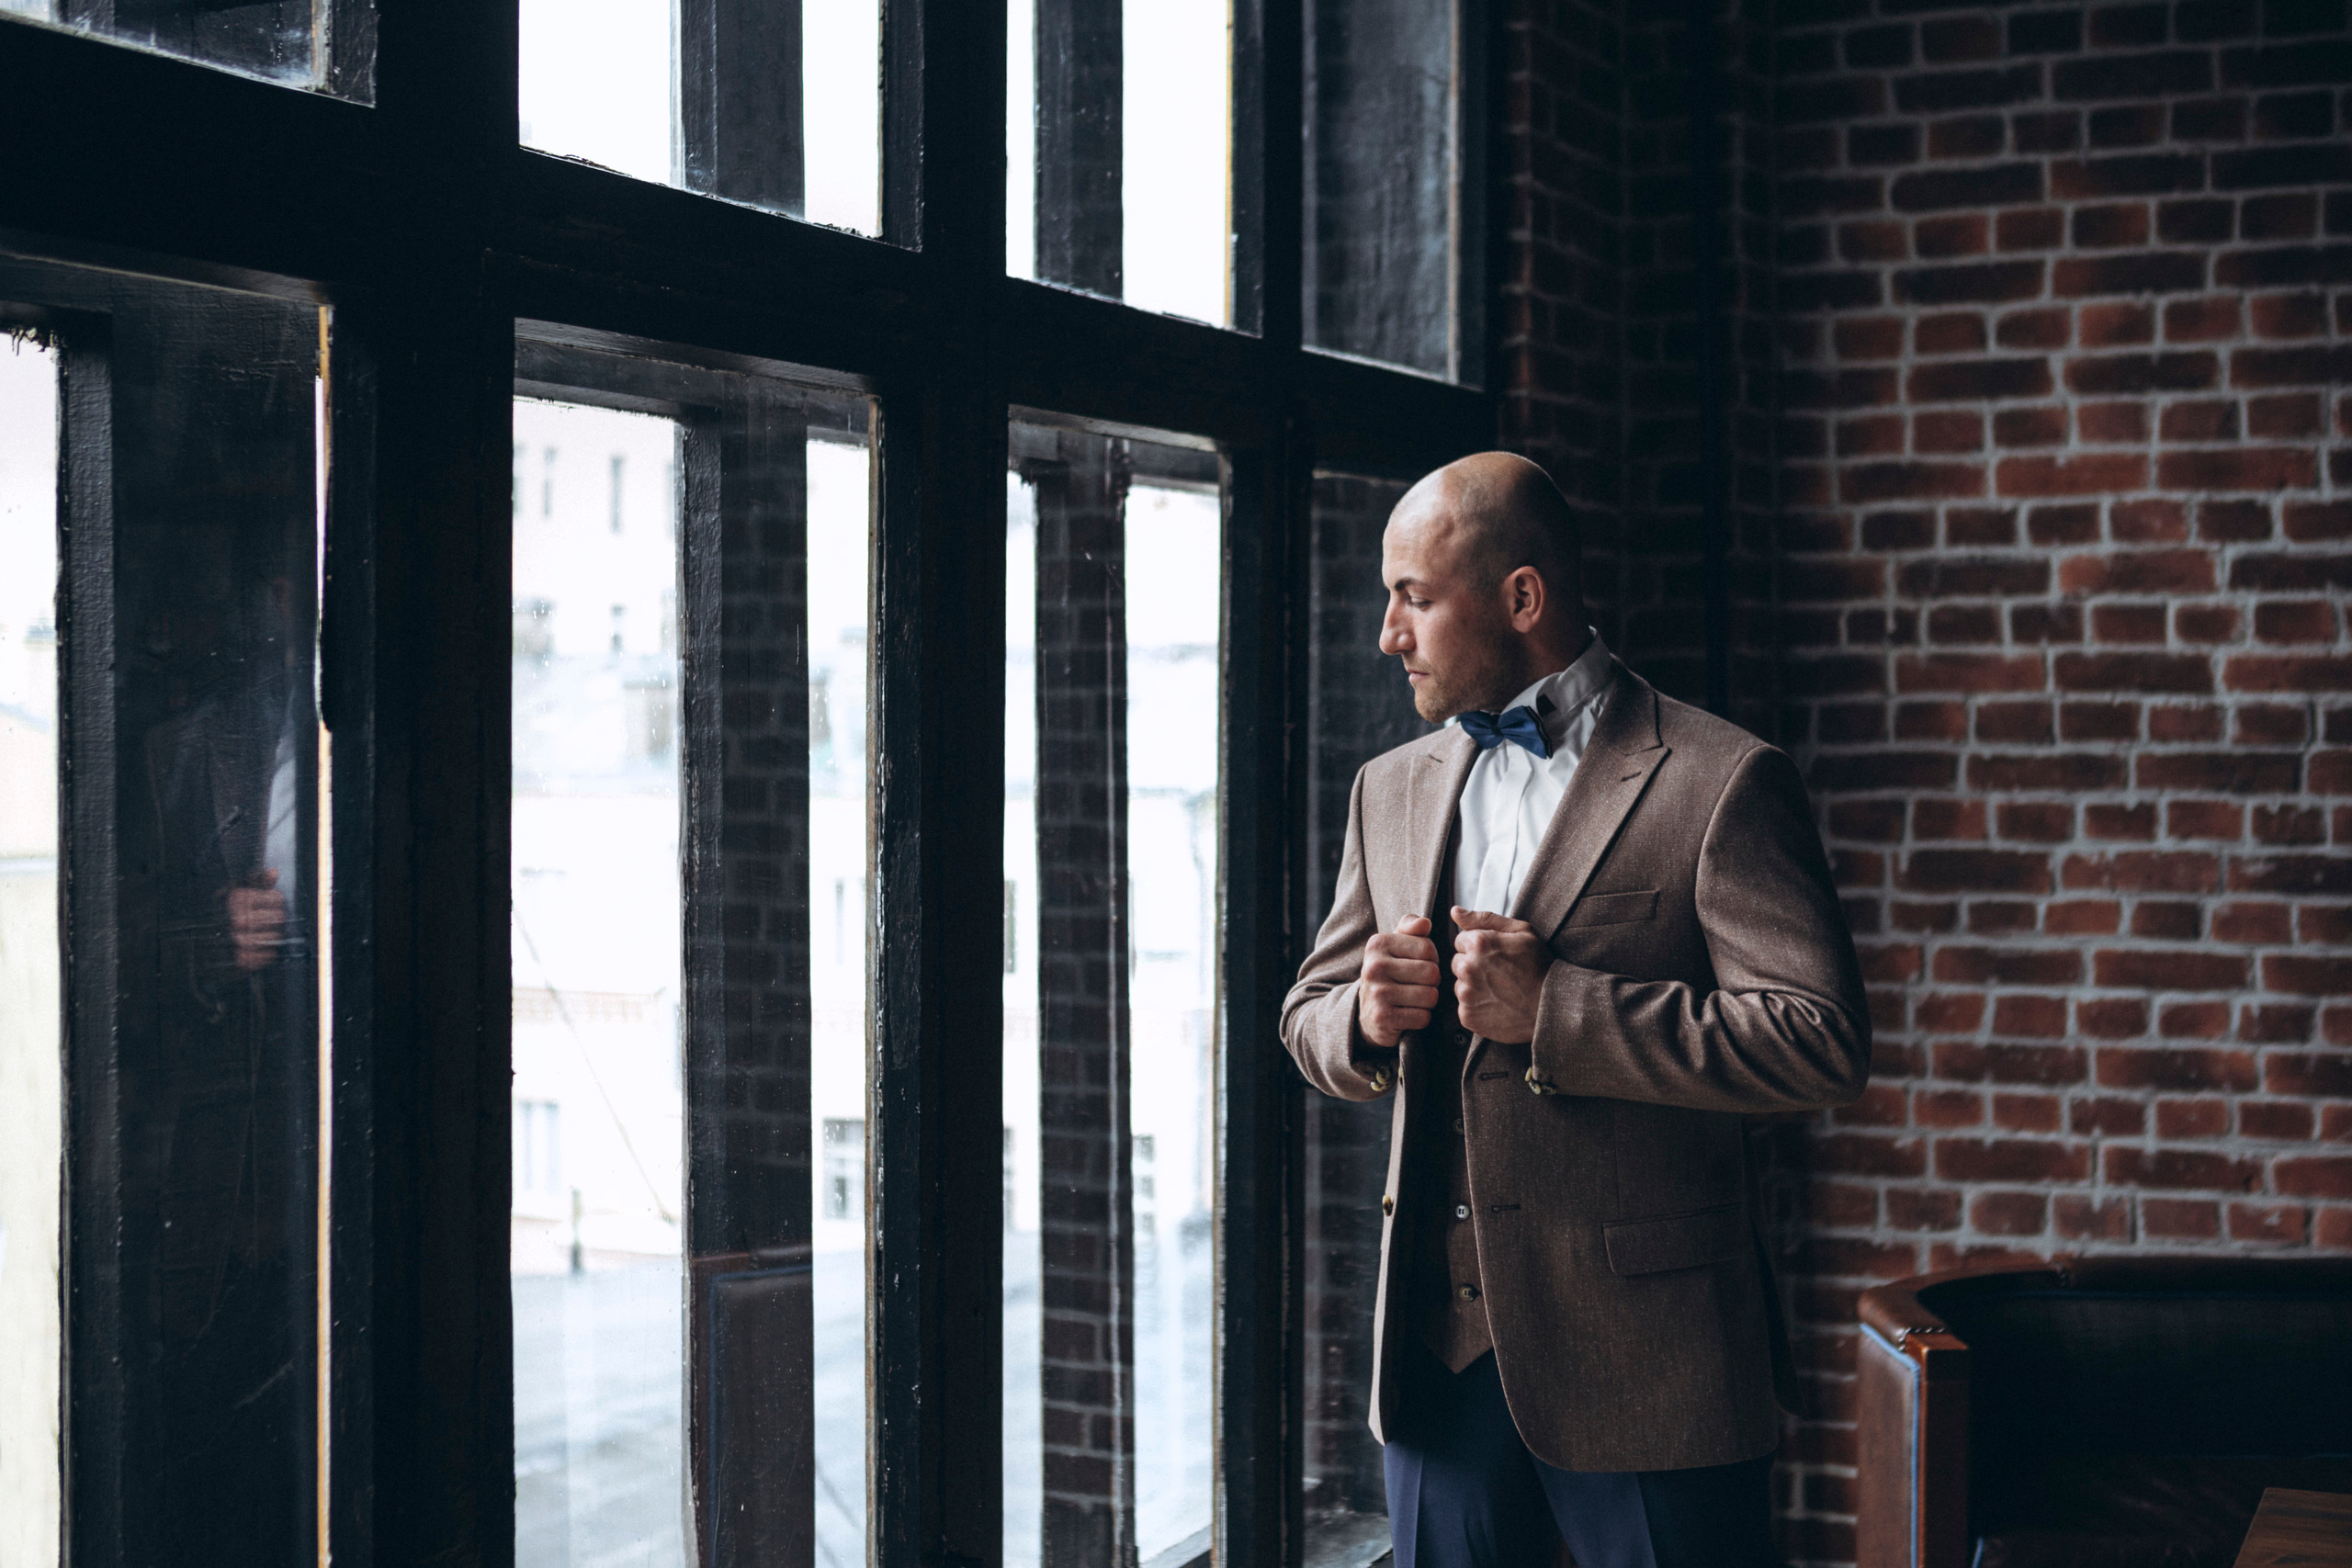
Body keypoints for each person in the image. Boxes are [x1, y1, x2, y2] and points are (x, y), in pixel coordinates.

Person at [1281, 453, 1869, 1568]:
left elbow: (1819, 1042)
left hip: (1653, 1367)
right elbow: (1306, 1012)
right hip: (1443, 1364)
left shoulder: (1719, 780)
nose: (1387, 635)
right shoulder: (1390, 786)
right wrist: (1361, 1017)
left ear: (1521, 598)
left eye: (1413, 596)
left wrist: (1560, 1010)